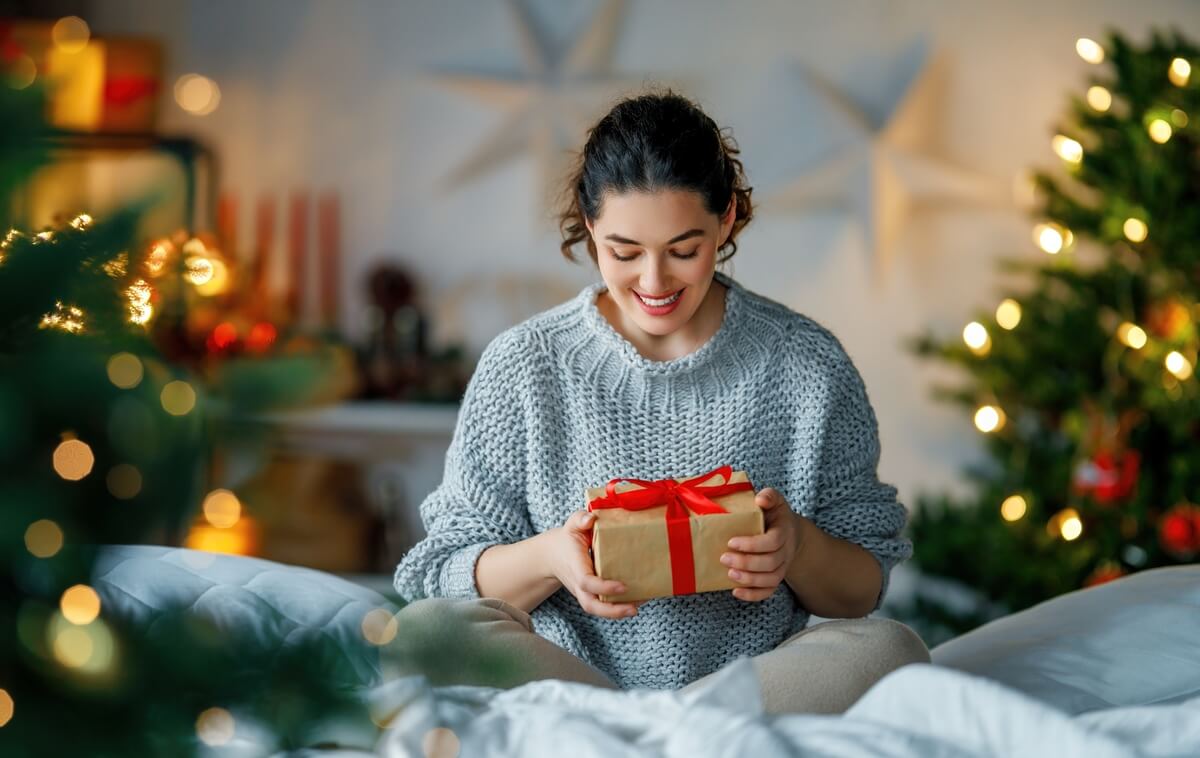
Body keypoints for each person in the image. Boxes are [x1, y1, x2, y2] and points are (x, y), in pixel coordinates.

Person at [391, 89, 930, 714]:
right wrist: (550, 559)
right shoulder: (525, 364)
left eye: (683, 250)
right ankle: (671, 738)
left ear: (726, 219)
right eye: (624, 252)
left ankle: (650, 739)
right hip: (573, 687)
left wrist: (798, 549)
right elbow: (441, 572)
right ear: (590, 226)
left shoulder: (807, 364)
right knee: (420, 636)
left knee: (894, 652)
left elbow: (863, 587)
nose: (653, 283)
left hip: (748, 687)